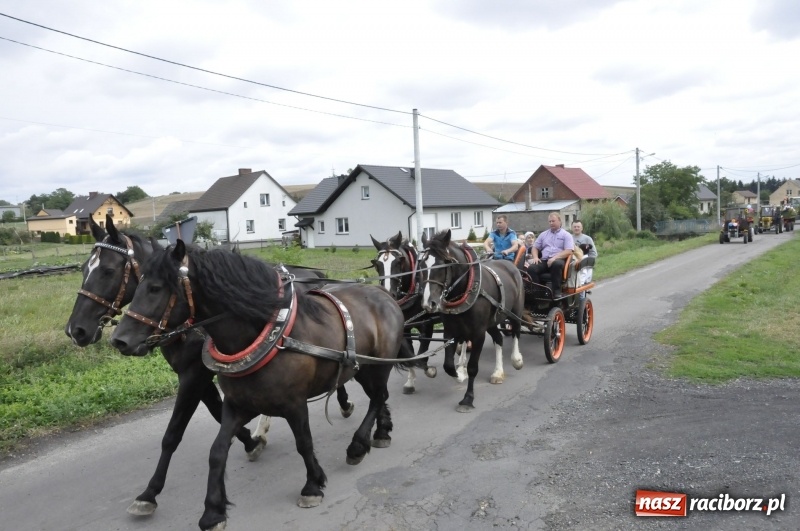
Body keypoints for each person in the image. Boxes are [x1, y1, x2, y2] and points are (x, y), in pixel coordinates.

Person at [526, 212, 574, 298]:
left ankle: (556, 291)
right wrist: (535, 257)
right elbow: (535, 247)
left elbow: (569, 251)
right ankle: (538, 293)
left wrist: (554, 258)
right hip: (544, 260)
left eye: (553, 221)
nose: (551, 223)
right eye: (550, 221)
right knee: (531, 269)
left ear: (559, 221)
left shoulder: (566, 235)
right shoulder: (543, 234)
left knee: (556, 264)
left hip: (559, 259)